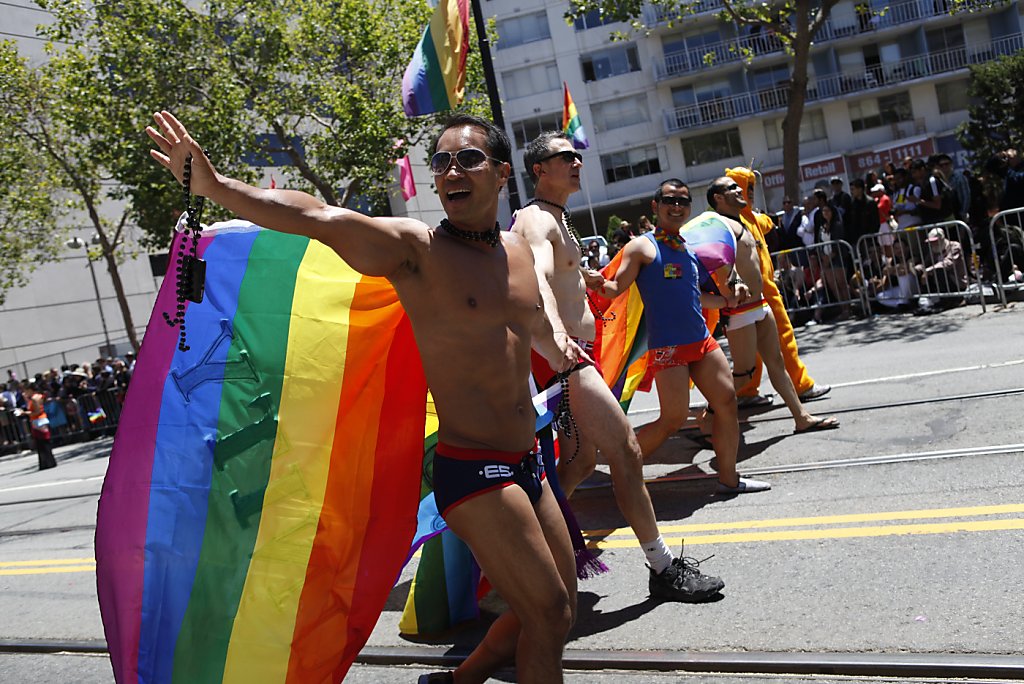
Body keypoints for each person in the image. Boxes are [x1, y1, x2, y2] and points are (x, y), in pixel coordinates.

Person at [148, 110, 582, 684]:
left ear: (501, 173)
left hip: (529, 460)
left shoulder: (518, 251)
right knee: (547, 611)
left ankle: (459, 679)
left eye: (468, 158)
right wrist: (216, 186)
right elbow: (318, 217)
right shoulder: (416, 251)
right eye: (443, 162)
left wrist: (558, 347)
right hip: (476, 470)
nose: (453, 170)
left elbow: (533, 320)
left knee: (559, 607)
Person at [514, 133, 724, 604]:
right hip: (565, 361)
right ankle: (663, 566)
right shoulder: (534, 219)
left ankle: (521, 553)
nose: (575, 162)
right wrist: (559, 337)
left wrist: (585, 279)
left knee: (580, 462)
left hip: (569, 357)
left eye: (577, 156)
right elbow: (539, 279)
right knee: (625, 451)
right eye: (563, 156)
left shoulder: (557, 217)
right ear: (538, 170)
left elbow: (562, 276)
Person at [591, 179, 769, 494]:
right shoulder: (641, 247)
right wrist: (588, 278)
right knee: (671, 419)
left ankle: (729, 478)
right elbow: (614, 288)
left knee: (727, 402)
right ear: (655, 205)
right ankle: (622, 468)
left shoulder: (687, 245)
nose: (676, 207)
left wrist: (729, 300)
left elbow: (697, 297)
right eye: (669, 200)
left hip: (701, 341)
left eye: (683, 202)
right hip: (669, 347)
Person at [706, 177, 839, 434]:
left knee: (776, 363)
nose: (738, 190)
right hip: (740, 309)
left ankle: (801, 417)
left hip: (760, 304)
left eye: (739, 186)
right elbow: (717, 258)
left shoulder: (744, 220)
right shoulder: (719, 225)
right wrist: (733, 282)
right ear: (718, 199)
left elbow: (765, 226)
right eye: (731, 188)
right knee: (743, 374)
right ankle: (708, 421)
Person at [28, 382, 57, 470]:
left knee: (41, 442)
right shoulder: (40, 396)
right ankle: (48, 461)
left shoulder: (34, 398)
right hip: (41, 419)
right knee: (44, 441)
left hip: (38, 420)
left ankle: (46, 462)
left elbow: (37, 411)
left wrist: (25, 413)